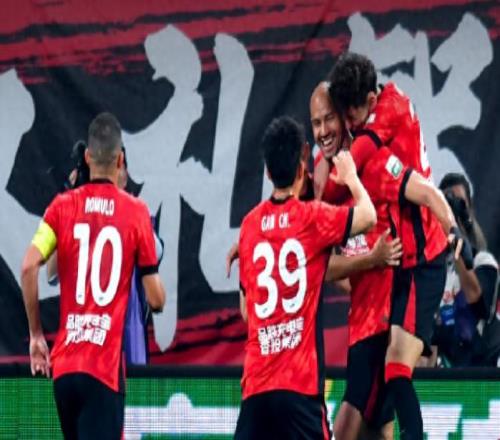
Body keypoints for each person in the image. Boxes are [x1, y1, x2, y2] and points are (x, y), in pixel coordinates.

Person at [325, 53, 469, 439]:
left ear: (370, 103)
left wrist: (453, 230)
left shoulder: (378, 157)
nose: (348, 126)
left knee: (395, 370)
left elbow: (428, 193)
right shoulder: (390, 101)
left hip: (424, 261)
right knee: (386, 392)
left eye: (349, 117)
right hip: (404, 268)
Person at [21, 112, 166, 439]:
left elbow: (29, 266)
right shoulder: (136, 212)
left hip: (65, 370)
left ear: (87, 157)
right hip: (103, 370)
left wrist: (36, 335)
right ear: (120, 160)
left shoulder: (61, 207)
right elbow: (156, 300)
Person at [234, 116, 376, 439]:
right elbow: (368, 216)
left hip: (256, 389)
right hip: (300, 388)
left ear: (267, 172)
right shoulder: (312, 218)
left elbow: (246, 312)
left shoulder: (249, 226)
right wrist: (351, 177)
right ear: (302, 169)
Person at [431, 173, 499, 367]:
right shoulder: (429, 269)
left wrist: (454, 234)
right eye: (447, 205)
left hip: (476, 370)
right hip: (438, 369)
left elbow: (475, 298)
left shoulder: (483, 262)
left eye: (459, 203)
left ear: (470, 210)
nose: (453, 210)